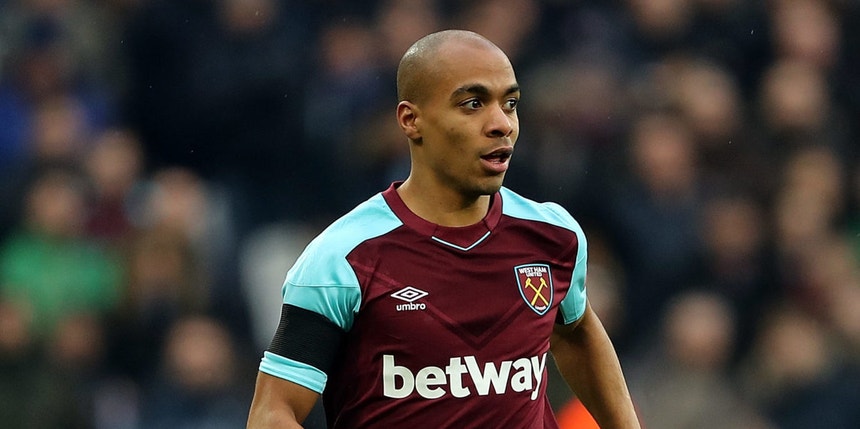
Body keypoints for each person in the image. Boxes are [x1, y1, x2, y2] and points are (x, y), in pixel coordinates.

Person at [246, 29, 640, 428]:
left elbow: (576, 332)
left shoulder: (553, 236)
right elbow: (273, 413)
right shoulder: (343, 259)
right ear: (411, 120)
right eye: (473, 104)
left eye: (510, 104)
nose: (501, 123)